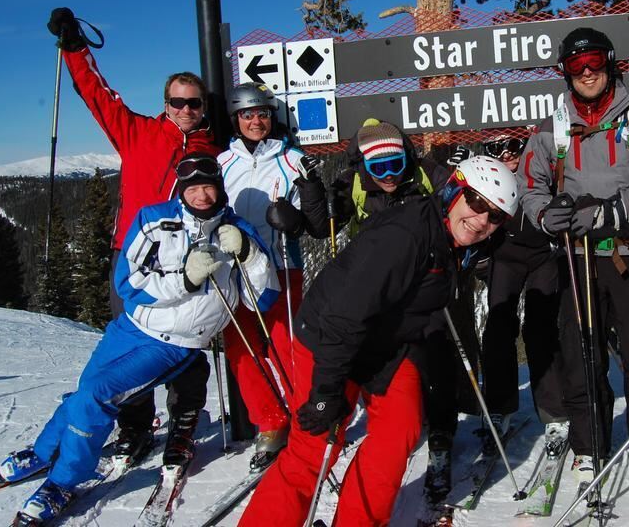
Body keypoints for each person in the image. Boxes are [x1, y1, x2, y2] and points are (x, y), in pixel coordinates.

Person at [0, 153, 278, 525]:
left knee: (97, 394)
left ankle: (62, 482)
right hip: (131, 327)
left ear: (220, 188)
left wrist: (250, 253)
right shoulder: (154, 220)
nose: (202, 195)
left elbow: (261, 298)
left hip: (175, 341)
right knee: (86, 391)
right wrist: (185, 280)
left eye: (209, 186)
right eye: (193, 187)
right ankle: (47, 448)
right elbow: (127, 282)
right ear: (182, 188)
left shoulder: (237, 231)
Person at [238, 156, 518, 526]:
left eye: (495, 215)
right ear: (453, 191)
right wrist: (326, 394)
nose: (482, 219)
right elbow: (343, 316)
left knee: (398, 430)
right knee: (315, 447)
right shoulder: (404, 237)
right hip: (330, 339)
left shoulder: (455, 236)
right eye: (477, 202)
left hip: (386, 344)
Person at [46, 8, 218, 462]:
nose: (185, 110)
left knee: (187, 342)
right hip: (133, 256)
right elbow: (96, 94)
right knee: (131, 342)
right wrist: (74, 46)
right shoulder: (137, 132)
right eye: (177, 103)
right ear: (165, 104)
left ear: (203, 107)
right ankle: (136, 425)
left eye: (193, 103)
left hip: (190, 259)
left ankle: (184, 420)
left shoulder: (213, 147)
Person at [519, 27, 629, 487]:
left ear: (609, 64)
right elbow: (531, 186)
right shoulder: (552, 128)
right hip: (577, 256)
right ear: (565, 73)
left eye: (593, 63)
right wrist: (548, 216)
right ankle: (589, 446)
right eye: (575, 66)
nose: (586, 73)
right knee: (580, 353)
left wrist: (614, 212)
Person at [217, 82, 313, 470]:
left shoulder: (292, 159)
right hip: (234, 270)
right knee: (241, 347)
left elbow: (318, 216)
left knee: (287, 345)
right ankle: (271, 421)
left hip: (280, 266)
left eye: (262, 115)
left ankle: (308, 415)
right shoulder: (223, 163)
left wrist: (295, 221)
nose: (256, 121)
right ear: (236, 120)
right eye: (247, 115)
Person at [478, 131, 567, 445]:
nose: (506, 155)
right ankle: (500, 407)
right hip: (505, 255)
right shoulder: (487, 175)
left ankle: (555, 412)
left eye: (513, 146)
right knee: (499, 328)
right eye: (495, 148)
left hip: (544, 254)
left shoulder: (540, 164)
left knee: (540, 329)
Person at [300, 118, 448, 239]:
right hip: (373, 264)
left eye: (395, 165)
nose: (389, 175)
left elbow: (455, 202)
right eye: (379, 169)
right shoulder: (354, 183)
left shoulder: (425, 173)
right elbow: (322, 229)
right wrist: (310, 186)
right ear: (366, 166)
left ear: (405, 160)